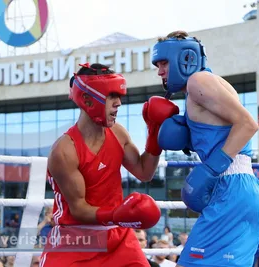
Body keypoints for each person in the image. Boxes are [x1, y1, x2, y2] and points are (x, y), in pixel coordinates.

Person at [152, 31, 259, 267]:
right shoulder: (207, 84)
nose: (160, 71)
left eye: (164, 63)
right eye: (157, 65)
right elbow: (220, 133)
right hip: (240, 188)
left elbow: (248, 124)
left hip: (231, 186)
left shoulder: (199, 81)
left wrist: (210, 168)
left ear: (184, 58)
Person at [40, 63, 180, 266]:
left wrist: (155, 134)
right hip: (76, 241)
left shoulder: (118, 133)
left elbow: (144, 172)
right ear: (88, 99)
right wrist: (117, 215)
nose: (118, 104)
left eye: (119, 96)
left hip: (118, 238)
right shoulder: (64, 151)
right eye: (111, 96)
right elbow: (79, 209)